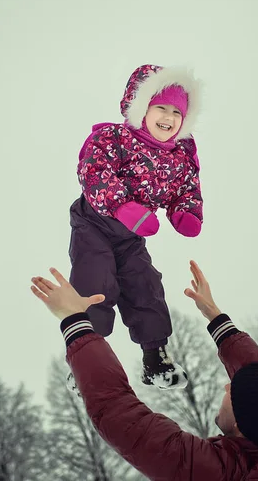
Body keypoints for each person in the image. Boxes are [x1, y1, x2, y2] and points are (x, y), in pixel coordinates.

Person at [30, 261, 258, 481]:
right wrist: (216, 318)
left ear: (244, 424)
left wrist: (74, 322)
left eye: (232, 391)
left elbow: (118, 410)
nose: (226, 386)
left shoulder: (220, 474)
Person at [68, 63, 203, 390]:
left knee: (146, 285)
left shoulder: (179, 155)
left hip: (132, 237)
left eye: (176, 112)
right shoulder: (115, 138)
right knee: (96, 284)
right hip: (95, 224)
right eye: (161, 108)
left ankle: (155, 359)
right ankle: (87, 361)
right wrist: (122, 207)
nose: (169, 117)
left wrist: (185, 212)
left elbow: (187, 187)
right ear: (141, 107)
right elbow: (94, 173)